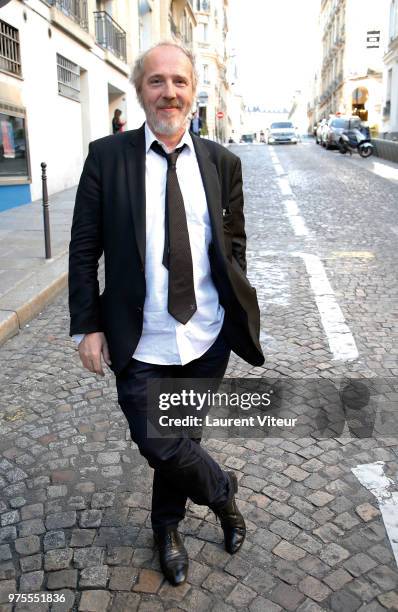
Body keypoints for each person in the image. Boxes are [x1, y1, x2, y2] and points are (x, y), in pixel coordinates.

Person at [69, 41, 264, 586]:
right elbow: (84, 249)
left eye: (179, 81)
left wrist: (230, 306)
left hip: (205, 337)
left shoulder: (223, 163)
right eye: (156, 81)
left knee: (182, 445)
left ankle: (167, 530)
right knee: (159, 439)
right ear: (140, 91)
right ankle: (223, 496)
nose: (168, 92)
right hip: (140, 338)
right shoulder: (106, 158)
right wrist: (88, 324)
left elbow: (233, 244)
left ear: (193, 89)